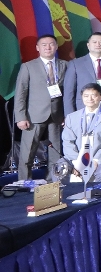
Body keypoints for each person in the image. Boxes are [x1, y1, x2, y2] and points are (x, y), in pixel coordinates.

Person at [14, 35, 68, 180]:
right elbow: (20, 93)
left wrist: (67, 114)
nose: (48, 47)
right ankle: (24, 183)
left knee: (56, 151)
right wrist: (20, 117)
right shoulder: (28, 66)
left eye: (51, 44)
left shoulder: (65, 65)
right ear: (37, 48)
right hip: (34, 116)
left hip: (57, 115)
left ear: (56, 47)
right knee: (27, 153)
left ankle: (54, 181)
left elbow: (69, 92)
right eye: (44, 45)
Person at [60, 84, 101, 181]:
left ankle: (97, 191)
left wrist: (96, 160)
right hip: (76, 157)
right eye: (86, 96)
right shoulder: (71, 117)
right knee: (59, 169)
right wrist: (77, 162)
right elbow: (67, 141)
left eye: (94, 95)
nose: (90, 99)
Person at [63, 33, 101, 113]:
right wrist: (69, 115)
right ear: (88, 45)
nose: (98, 44)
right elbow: (68, 93)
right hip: (83, 109)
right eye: (94, 42)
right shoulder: (75, 64)